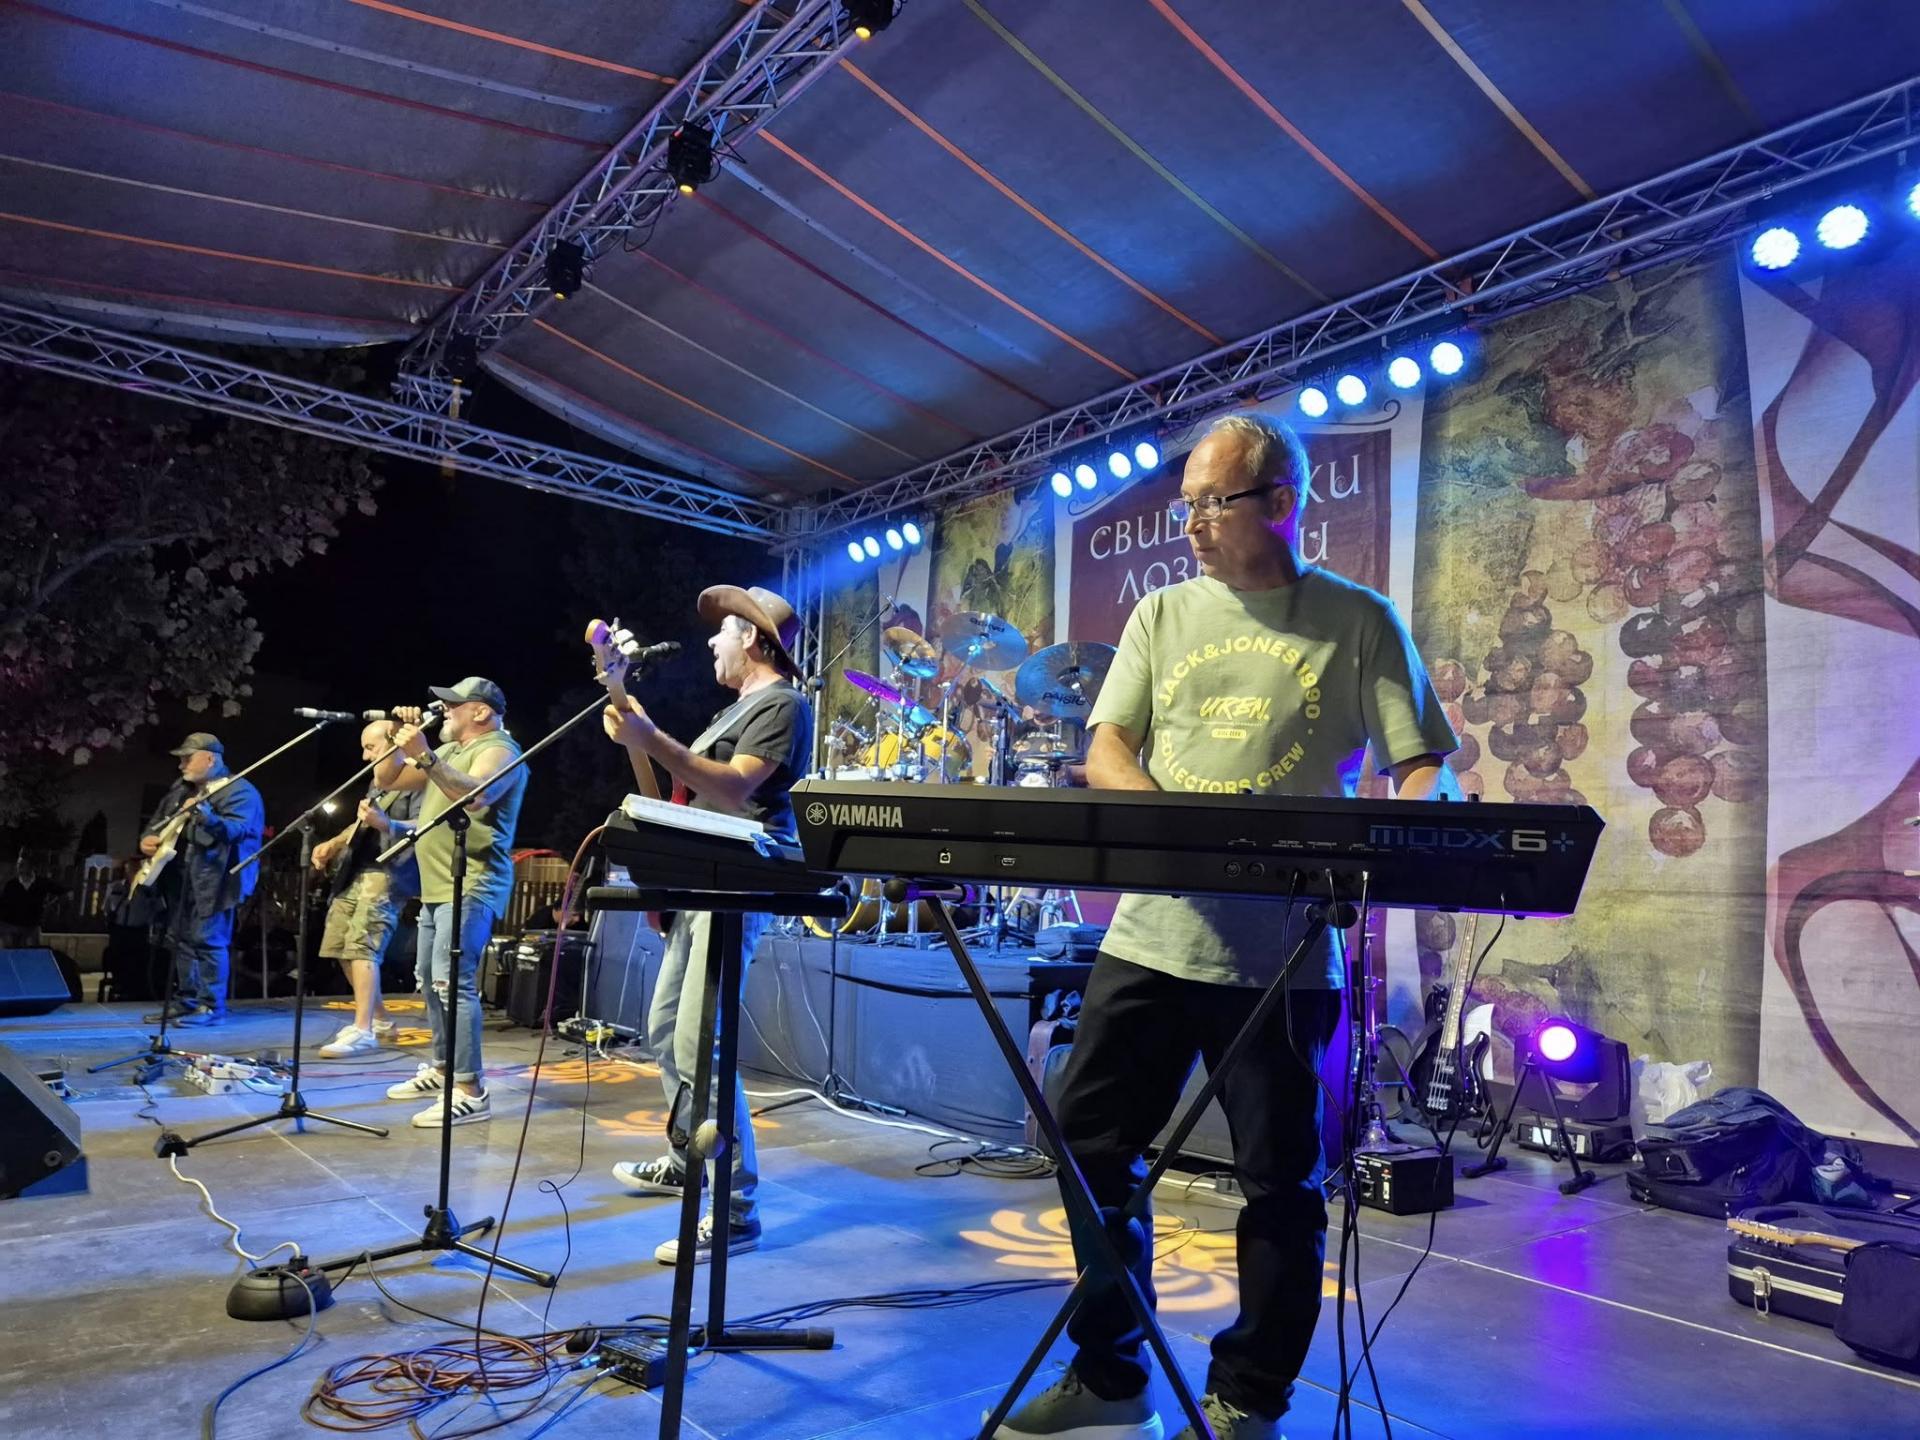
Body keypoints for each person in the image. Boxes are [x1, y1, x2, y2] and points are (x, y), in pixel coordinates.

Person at [996, 415, 1458, 1440]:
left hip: (1284, 955)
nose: (1193, 524)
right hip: (1153, 935)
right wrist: (1175, 829)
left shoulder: (1359, 620)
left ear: (1281, 503)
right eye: (1187, 505)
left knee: (1281, 1185)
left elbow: (1420, 763)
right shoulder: (1162, 613)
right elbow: (1109, 748)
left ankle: (1249, 1399)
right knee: (1086, 1145)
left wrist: (1418, 837)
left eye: (1214, 503)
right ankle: (1112, 1376)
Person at [601, 585, 813, 1266]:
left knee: (700, 1041)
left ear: (751, 638)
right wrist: (633, 726)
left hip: (737, 885)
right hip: (702, 881)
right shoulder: (735, 710)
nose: (712, 642)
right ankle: (686, 1158)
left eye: (722, 631)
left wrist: (651, 737)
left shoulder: (782, 704)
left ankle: (734, 1209)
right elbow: (672, 797)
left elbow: (735, 787)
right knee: (668, 1030)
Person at [372, 679, 527, 1127]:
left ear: (481, 711)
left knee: (452, 983)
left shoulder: (501, 749)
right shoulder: (450, 751)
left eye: (453, 704)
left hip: (472, 883)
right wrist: (395, 738)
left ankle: (471, 1090)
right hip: (437, 887)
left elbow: (476, 796)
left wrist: (424, 754)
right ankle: (443, 1070)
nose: (443, 709)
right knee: (428, 979)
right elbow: (387, 780)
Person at [137, 733, 265, 1027]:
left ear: (209, 759)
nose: (181, 765)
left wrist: (208, 818)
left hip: (216, 879)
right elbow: (157, 821)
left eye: (187, 758)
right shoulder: (180, 790)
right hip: (180, 876)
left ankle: (211, 1006)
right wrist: (147, 839)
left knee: (209, 940)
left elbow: (239, 831)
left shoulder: (240, 792)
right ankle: (188, 1000)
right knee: (180, 939)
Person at [309, 719, 421, 1057]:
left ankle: (363, 1029)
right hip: (356, 869)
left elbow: (426, 823)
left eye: (370, 748)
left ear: (393, 744)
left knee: (362, 947)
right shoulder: (378, 781)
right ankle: (380, 1019)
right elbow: (363, 822)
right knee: (340, 945)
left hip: (388, 873)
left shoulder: (419, 776)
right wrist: (334, 843)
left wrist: (387, 824)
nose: (364, 756)